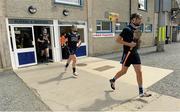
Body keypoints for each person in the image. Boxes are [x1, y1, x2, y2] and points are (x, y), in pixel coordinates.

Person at [109, 13, 151, 97]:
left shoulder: (137, 29)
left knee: (139, 71)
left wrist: (138, 42)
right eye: (138, 19)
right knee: (123, 71)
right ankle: (113, 80)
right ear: (133, 20)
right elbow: (118, 40)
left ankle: (141, 92)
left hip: (134, 53)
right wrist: (129, 44)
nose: (140, 20)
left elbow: (135, 41)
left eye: (140, 19)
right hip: (127, 54)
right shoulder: (126, 29)